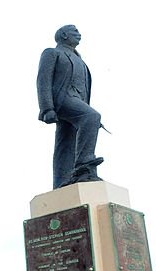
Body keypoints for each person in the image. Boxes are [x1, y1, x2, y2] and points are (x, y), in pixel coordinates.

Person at [36, 24, 103, 189]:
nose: (79, 34)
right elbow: (43, 81)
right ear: (64, 35)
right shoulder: (52, 53)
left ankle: (62, 182)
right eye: (75, 32)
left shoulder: (79, 59)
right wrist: (47, 108)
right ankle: (84, 165)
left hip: (77, 101)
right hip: (63, 99)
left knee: (65, 143)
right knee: (92, 116)